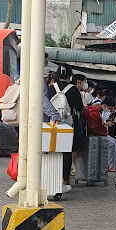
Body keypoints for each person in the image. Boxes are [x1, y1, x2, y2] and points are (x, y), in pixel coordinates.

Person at [47, 65, 85, 193]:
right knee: (66, 151)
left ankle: (51, 176)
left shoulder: (51, 88)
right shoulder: (73, 89)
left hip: (52, 124)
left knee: (52, 150)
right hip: (68, 125)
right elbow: (79, 107)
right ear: (70, 76)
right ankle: (64, 179)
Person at [100, 97, 116, 172]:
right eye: (109, 108)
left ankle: (115, 163)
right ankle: (110, 165)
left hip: (104, 132)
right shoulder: (98, 111)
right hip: (99, 133)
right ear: (105, 105)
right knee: (112, 144)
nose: (109, 110)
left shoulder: (104, 112)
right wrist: (106, 124)